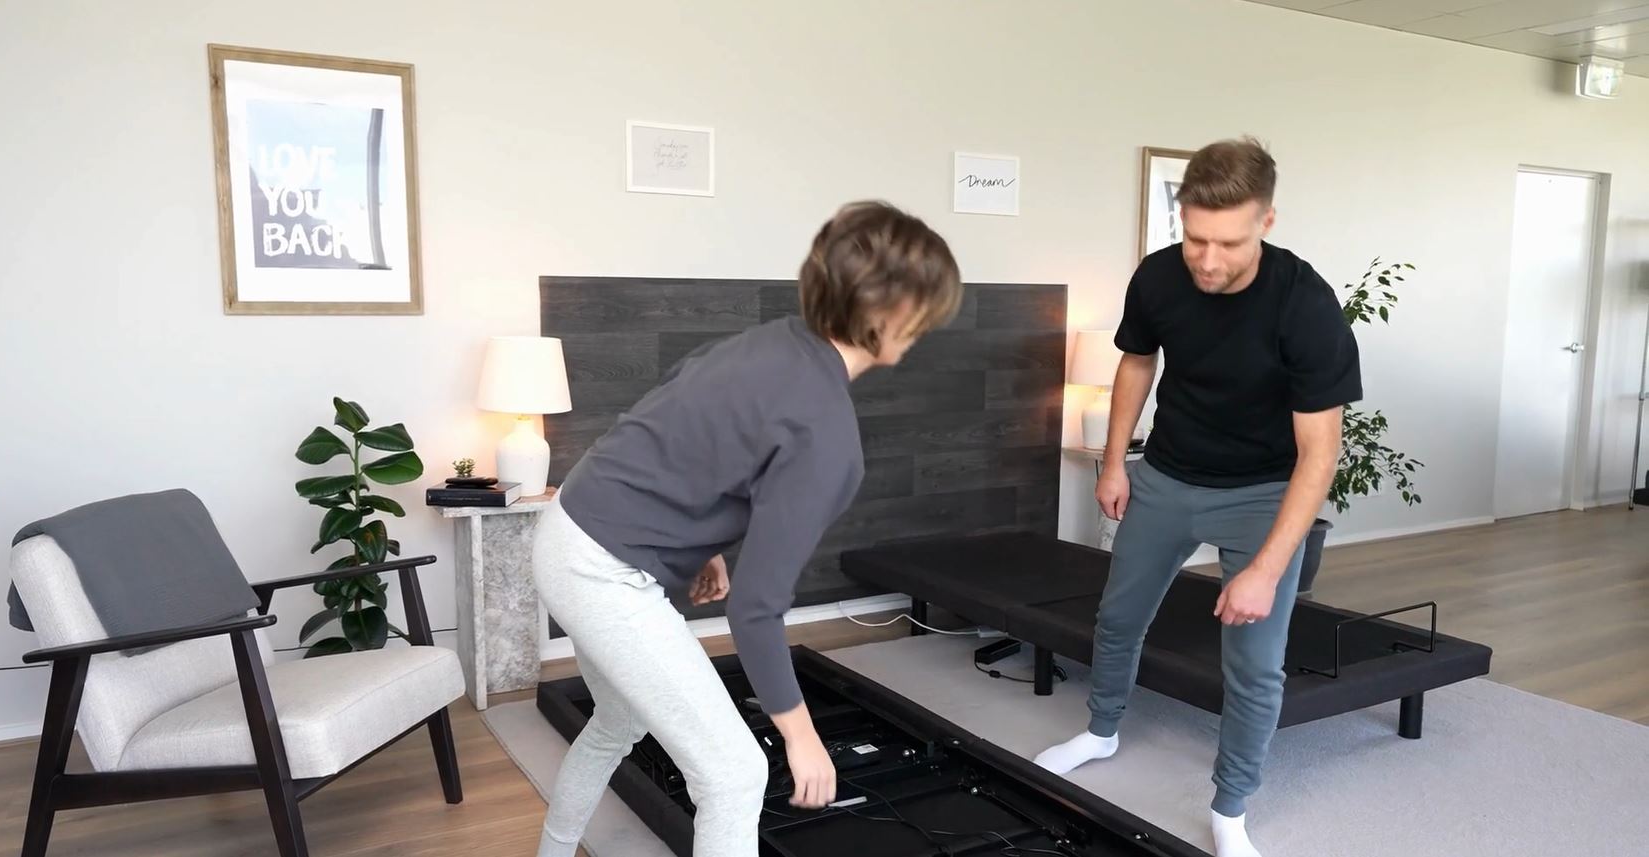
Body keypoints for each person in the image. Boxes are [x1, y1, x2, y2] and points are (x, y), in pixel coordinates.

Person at [531, 200, 964, 857]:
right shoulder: (826, 436)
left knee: (617, 722)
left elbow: (676, 426)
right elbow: (755, 611)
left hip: (565, 528)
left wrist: (701, 543)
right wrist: (800, 733)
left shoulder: (771, 340)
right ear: (892, 313)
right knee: (734, 775)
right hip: (600, 570)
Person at [1032, 137, 1360, 857]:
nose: (1207, 260)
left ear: (1266, 222)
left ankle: (1231, 808)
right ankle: (1100, 730)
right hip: (1167, 476)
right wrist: (1114, 463)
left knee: (1254, 663)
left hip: (1263, 494)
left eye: (1229, 243)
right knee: (1118, 617)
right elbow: (1136, 362)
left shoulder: (1304, 305)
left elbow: (1319, 454)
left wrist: (1266, 569)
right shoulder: (1157, 276)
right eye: (1195, 239)